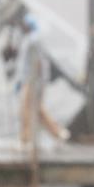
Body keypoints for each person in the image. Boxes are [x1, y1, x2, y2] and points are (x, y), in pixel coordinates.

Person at [13, 14, 70, 146]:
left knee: (25, 109)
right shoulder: (30, 39)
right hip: (31, 79)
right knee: (37, 109)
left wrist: (33, 81)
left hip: (33, 80)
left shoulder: (34, 41)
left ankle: (25, 139)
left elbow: (39, 63)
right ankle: (59, 133)